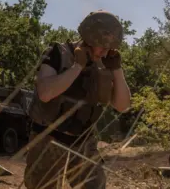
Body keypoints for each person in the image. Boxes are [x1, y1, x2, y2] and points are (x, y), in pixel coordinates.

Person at [24, 10, 131, 189]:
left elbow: (123, 106)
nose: (105, 53)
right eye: (103, 46)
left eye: (110, 48)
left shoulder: (105, 64)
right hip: (48, 138)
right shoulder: (58, 53)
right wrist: (77, 66)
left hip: (83, 142)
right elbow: (45, 93)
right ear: (90, 38)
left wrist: (117, 71)